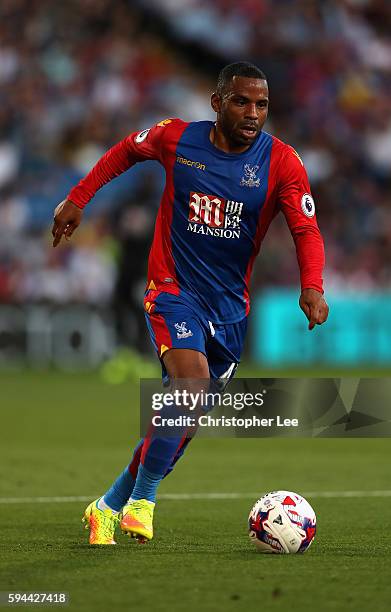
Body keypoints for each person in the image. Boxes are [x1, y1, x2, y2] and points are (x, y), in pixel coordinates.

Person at [52, 62, 329, 545]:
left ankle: (108, 506)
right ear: (217, 101)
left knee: (180, 420)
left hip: (231, 309)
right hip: (173, 290)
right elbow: (122, 153)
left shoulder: (282, 161)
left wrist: (313, 285)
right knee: (190, 384)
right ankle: (144, 500)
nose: (253, 113)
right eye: (242, 101)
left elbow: (305, 227)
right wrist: (78, 198)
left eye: (262, 104)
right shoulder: (176, 138)